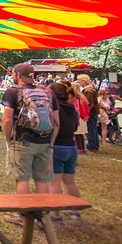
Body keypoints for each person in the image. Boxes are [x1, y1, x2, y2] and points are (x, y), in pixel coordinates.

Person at [2, 64, 59, 227]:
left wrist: (9, 139)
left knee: (22, 179)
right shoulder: (48, 92)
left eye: (12, 73)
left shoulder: (13, 92)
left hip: (23, 140)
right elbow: (56, 121)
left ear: (18, 75)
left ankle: (24, 215)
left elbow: (7, 119)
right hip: (45, 140)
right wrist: (51, 141)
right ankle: (41, 217)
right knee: (42, 180)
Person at [47, 83, 81, 222]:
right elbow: (74, 128)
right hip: (71, 147)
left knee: (54, 183)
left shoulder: (55, 109)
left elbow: (53, 126)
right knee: (69, 182)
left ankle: (55, 213)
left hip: (58, 147)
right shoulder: (72, 108)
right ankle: (75, 210)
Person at [77, 74, 99, 152]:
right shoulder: (88, 90)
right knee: (92, 129)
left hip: (91, 113)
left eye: (79, 80)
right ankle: (94, 144)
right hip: (92, 113)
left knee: (91, 129)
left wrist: (86, 113)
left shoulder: (88, 91)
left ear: (84, 81)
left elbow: (89, 103)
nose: (78, 82)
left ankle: (92, 145)